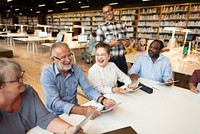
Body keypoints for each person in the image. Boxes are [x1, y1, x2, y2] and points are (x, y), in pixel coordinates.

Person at [0, 58, 83, 134]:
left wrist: (68, 129)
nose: (24, 80)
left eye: (21, 76)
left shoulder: (28, 92)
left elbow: (45, 118)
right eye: (17, 79)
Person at [40, 42, 116, 119]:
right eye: (63, 57)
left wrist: (103, 100)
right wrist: (82, 110)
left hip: (75, 112)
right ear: (53, 59)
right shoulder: (47, 75)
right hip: (55, 115)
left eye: (69, 55)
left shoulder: (76, 69)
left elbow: (88, 89)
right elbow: (54, 103)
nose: (68, 60)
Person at [96, 4, 130, 76]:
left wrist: (126, 43)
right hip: (109, 60)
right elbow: (97, 47)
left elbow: (128, 43)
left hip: (122, 60)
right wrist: (111, 44)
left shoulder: (122, 25)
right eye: (105, 12)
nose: (108, 13)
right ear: (104, 15)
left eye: (109, 11)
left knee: (123, 83)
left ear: (113, 11)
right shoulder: (101, 27)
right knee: (111, 84)